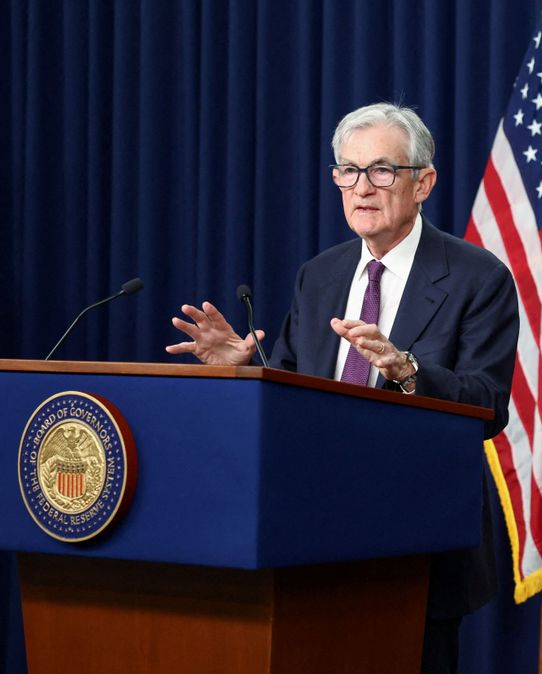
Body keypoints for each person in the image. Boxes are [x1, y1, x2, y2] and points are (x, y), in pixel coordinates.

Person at [167, 102, 519, 674]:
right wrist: (243, 369)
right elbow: (292, 401)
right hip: (309, 537)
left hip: (415, 543)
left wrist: (408, 371)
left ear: (423, 182)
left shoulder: (478, 278)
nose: (362, 187)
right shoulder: (320, 274)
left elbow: (487, 405)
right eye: (347, 171)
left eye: (382, 170)